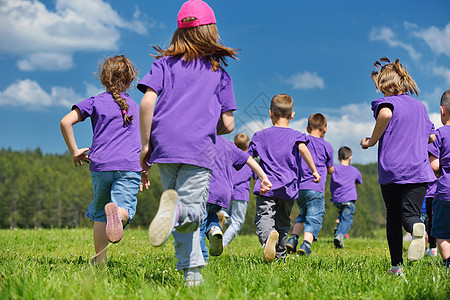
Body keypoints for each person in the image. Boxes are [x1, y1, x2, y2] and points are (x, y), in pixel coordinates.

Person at [137, 0, 238, 286]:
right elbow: (228, 124)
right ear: (211, 32)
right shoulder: (219, 72)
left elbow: (146, 103)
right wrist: (210, 126)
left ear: (179, 32)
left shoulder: (162, 65)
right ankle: (178, 212)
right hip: (197, 149)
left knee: (175, 207)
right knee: (192, 211)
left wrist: (146, 145)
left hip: (164, 147)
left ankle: (192, 275)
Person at [60, 55, 148, 265]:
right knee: (123, 208)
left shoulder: (94, 101)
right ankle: (117, 213)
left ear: (103, 78)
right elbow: (145, 140)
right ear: (130, 80)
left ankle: (100, 261)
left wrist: (74, 151)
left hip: (100, 167)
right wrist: (145, 168)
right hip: (129, 166)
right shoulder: (135, 106)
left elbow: (65, 122)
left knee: (100, 214)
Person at [360, 57, 435, 275]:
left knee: (393, 214)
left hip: (393, 170)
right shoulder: (420, 107)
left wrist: (371, 141)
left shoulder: (387, 103)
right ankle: (415, 228)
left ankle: (396, 266)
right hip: (420, 171)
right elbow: (430, 137)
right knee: (410, 214)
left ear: (384, 85)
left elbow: (385, 114)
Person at [248, 94, 320, 263]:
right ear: (292, 115)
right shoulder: (297, 136)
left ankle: (267, 240)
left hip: (267, 186)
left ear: (270, 113)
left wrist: (255, 175)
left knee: (264, 217)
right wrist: (314, 171)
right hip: (288, 187)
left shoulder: (260, 135)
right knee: (282, 222)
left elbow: (248, 158)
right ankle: (280, 257)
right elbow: (303, 150)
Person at [199, 135, 271, 262]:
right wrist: (263, 178)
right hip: (230, 193)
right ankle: (215, 229)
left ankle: (201, 258)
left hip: (211, 190)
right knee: (235, 221)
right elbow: (251, 165)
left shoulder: (206, 142)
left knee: (198, 224)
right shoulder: (229, 147)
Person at [286, 113, 334, 256]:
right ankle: (306, 244)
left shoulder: (302, 141)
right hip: (316, 188)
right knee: (314, 216)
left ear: (307, 128)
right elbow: (330, 169)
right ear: (325, 129)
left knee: (303, 214)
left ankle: (293, 239)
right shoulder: (327, 146)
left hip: (300, 189)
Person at [217, 133, 254, 248]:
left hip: (227, 192)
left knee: (226, 215)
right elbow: (256, 179)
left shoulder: (230, 158)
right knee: (237, 222)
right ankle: (223, 243)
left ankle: (222, 216)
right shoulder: (249, 161)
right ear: (248, 146)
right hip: (240, 194)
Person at [429, 89, 450, 268]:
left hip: (445, 192)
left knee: (442, 232)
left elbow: (434, 165)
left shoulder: (440, 134)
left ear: (442, 111)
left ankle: (448, 262)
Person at [329, 146, 363, 249]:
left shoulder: (334, 169)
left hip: (337, 199)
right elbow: (358, 182)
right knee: (347, 220)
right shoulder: (355, 171)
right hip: (349, 199)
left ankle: (338, 228)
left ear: (338, 159)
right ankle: (339, 236)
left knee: (341, 215)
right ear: (350, 157)